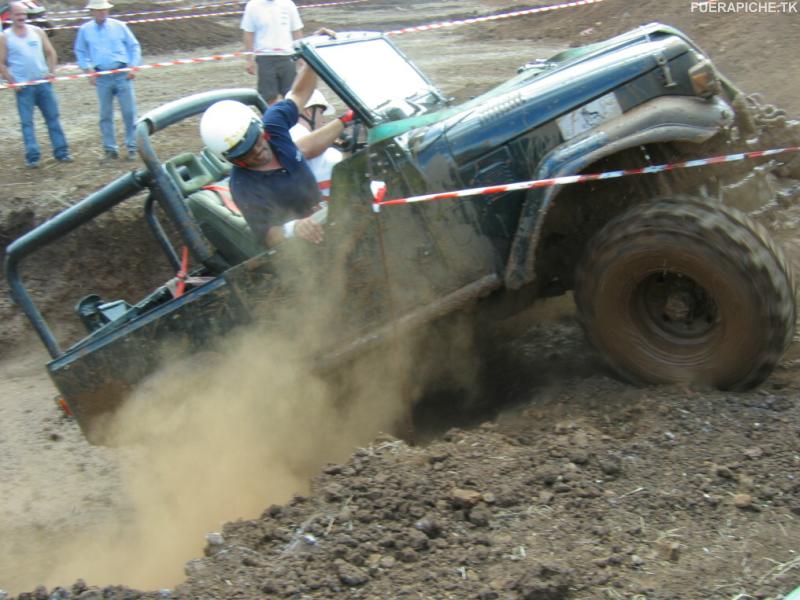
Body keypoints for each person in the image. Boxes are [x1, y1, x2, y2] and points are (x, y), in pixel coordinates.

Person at [200, 61, 353, 248]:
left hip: (327, 217)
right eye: (246, 154)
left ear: (260, 128)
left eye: (257, 141)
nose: (257, 151)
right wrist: (294, 227)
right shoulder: (243, 185)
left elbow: (299, 93)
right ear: (232, 160)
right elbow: (268, 235)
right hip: (302, 247)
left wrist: (312, 61)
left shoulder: (274, 125)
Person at [0, 1, 71, 168]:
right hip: (23, 88)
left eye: (24, 14)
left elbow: (51, 52)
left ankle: (62, 153)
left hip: (43, 84)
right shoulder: (5, 37)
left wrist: (51, 72)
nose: (21, 17)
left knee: (53, 118)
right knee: (27, 123)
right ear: (10, 15)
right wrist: (12, 82)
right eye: (18, 14)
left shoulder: (38, 32)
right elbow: (1, 63)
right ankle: (33, 157)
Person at [74, 0, 141, 161]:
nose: (102, 12)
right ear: (92, 12)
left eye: (104, 9)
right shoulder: (85, 30)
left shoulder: (119, 26)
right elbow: (80, 51)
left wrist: (133, 66)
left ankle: (132, 147)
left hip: (122, 72)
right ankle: (110, 149)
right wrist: (88, 70)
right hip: (102, 75)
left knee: (129, 112)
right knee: (105, 114)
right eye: (98, 10)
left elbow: (134, 46)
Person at [240, 0, 303, 105]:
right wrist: (249, 59)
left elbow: (296, 31)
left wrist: (302, 55)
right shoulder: (253, 5)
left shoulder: (288, 4)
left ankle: (290, 119)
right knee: (268, 97)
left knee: (291, 95)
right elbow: (248, 33)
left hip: (287, 56)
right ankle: (272, 120)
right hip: (265, 57)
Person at [289, 89, 343, 199]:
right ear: (308, 112)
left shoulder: (288, 134)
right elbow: (333, 161)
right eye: (321, 113)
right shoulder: (297, 134)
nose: (323, 120)